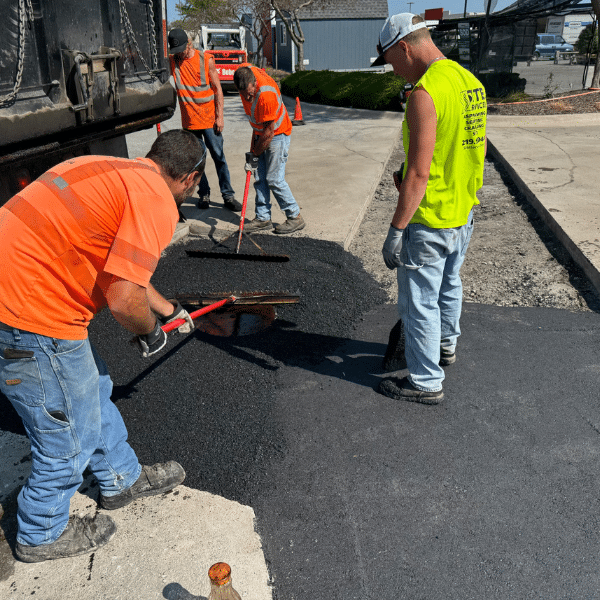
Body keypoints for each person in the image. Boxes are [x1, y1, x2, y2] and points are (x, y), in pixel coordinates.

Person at [0, 129, 206, 562]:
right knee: (67, 434)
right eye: (196, 184)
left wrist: (168, 311)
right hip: (28, 314)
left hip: (21, 286)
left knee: (91, 388)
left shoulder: (107, 170)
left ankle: (120, 478)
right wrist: (149, 330)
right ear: (189, 178)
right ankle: (40, 532)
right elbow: (124, 298)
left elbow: (120, 265)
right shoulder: (156, 202)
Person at [372, 14, 487, 405]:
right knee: (450, 284)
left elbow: (420, 174)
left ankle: (425, 382)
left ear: (404, 47)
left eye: (391, 61)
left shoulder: (424, 94)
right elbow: (457, 148)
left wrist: (395, 229)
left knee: (419, 300)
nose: (393, 70)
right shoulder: (470, 83)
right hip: (463, 211)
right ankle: (446, 347)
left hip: (431, 218)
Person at [168, 28, 241, 212]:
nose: (179, 54)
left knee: (219, 158)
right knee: (197, 162)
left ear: (189, 44)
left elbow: (218, 89)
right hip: (190, 123)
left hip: (209, 121)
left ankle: (228, 195)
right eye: (175, 51)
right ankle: (204, 193)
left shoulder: (205, 60)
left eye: (182, 50)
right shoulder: (173, 61)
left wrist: (220, 117)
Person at [233, 64, 306, 235]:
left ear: (254, 84)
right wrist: (254, 153)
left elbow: (268, 133)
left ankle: (295, 217)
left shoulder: (266, 95)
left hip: (277, 134)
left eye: (250, 94)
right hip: (261, 132)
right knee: (260, 178)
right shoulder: (244, 74)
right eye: (244, 94)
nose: (248, 97)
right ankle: (263, 218)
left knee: (274, 179)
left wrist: (254, 155)